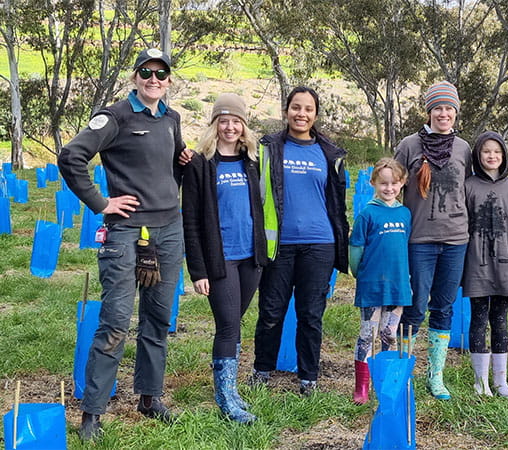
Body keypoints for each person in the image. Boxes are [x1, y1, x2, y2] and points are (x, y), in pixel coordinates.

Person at [58, 48, 192, 440]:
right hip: (126, 233)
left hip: (169, 231)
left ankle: (149, 399)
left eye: (161, 74)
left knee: (158, 320)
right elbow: (72, 156)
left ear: (169, 80)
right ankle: (92, 414)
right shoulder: (114, 116)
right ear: (135, 77)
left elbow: (167, 167)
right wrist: (102, 202)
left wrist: (180, 167)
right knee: (115, 321)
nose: (154, 80)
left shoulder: (171, 118)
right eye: (146, 73)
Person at [250, 86, 349, 396]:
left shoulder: (329, 153)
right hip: (279, 244)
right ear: (286, 111)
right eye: (296, 107)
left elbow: (336, 201)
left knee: (310, 314)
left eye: (308, 109)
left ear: (315, 114)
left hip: (319, 244)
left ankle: (308, 377)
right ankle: (262, 370)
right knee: (271, 311)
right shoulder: (269, 148)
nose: (301, 114)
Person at [182, 93, 267, 423]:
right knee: (228, 325)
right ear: (214, 124)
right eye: (223, 120)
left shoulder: (252, 161)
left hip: (251, 256)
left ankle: (230, 388)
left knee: (234, 323)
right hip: (221, 259)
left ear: (244, 126)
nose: (230, 127)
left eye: (236, 121)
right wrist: (197, 270)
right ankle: (225, 399)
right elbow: (190, 219)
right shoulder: (200, 164)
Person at [395, 81, 472, 400]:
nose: (444, 114)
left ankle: (435, 375)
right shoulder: (410, 145)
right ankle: (403, 372)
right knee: (414, 308)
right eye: (438, 108)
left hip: (456, 240)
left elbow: (473, 190)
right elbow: (393, 186)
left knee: (444, 307)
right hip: (419, 240)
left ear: (456, 112)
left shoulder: (465, 148)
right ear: (428, 111)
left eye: (449, 108)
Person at [463, 132, 508, 399]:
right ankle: (481, 382)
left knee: (500, 320)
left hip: (506, 265)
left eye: (497, 152)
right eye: (486, 152)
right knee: (479, 319)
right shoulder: (468, 186)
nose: (492, 156)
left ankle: (501, 381)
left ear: (504, 156)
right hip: (476, 265)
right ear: (478, 156)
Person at [348, 157, 411, 404]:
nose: (389, 188)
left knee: (389, 334)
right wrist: (359, 273)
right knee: (367, 334)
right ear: (374, 182)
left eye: (394, 183)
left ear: (402, 183)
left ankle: (386, 383)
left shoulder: (405, 214)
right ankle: (361, 386)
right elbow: (356, 249)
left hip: (398, 286)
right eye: (383, 183)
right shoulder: (367, 214)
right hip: (372, 285)